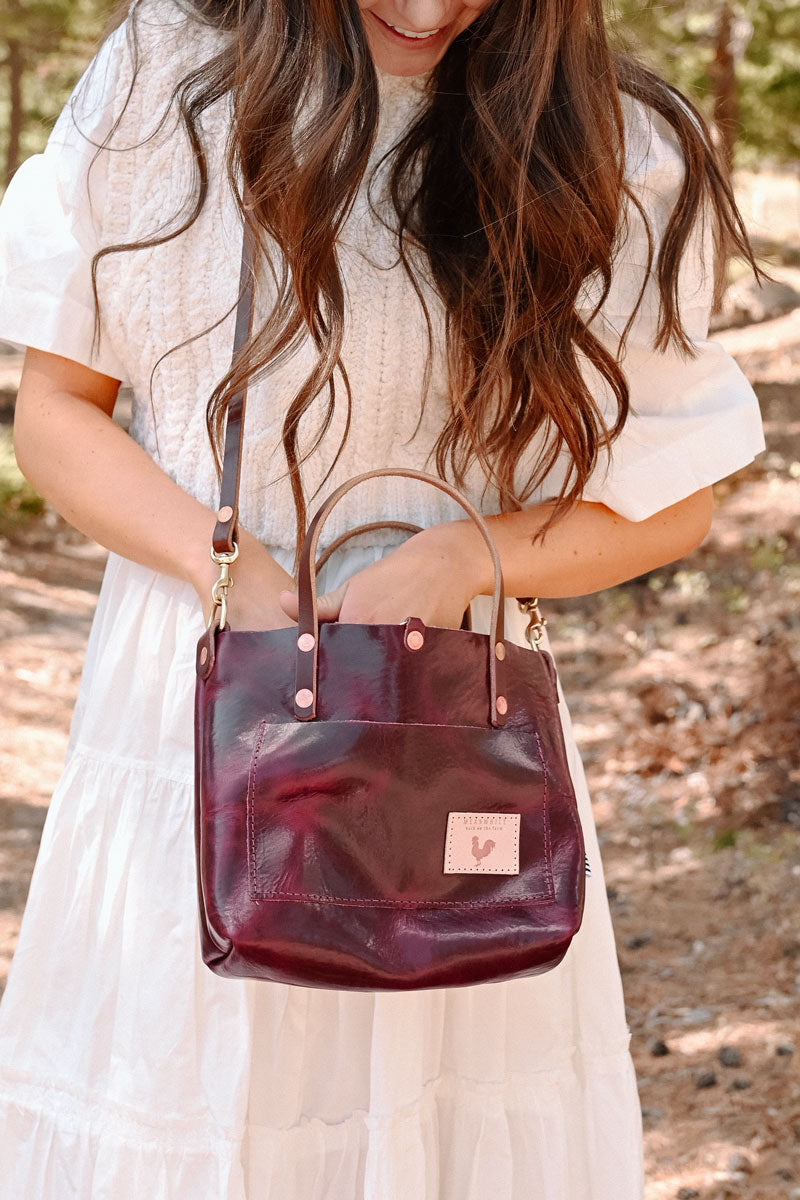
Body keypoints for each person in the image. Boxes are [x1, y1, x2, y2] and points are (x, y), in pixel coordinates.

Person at [0, 1, 765, 1197]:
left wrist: (460, 558)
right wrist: (229, 569)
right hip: (198, 711)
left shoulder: (604, 138)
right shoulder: (167, 70)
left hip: (446, 740)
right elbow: (55, 414)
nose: (424, 10)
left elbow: (673, 499)